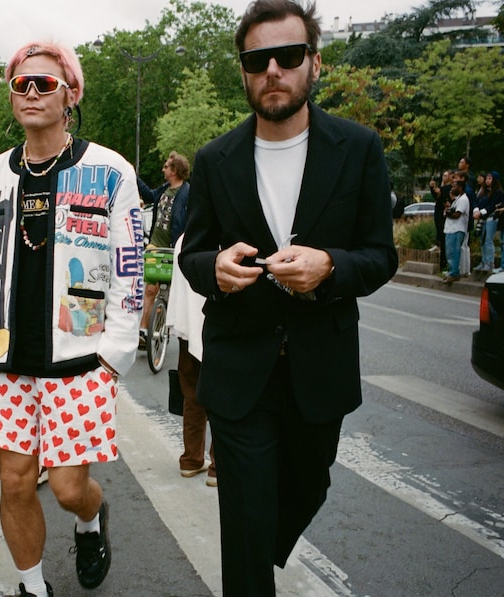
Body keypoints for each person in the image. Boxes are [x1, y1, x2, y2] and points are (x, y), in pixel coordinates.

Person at [178, 1, 398, 593]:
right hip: (239, 373)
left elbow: (382, 255)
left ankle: (259, 545)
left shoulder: (358, 149)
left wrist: (331, 265)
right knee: (245, 529)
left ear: (315, 64)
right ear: (244, 72)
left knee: (307, 487)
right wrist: (215, 268)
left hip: (317, 372)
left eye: (289, 55)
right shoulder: (215, 159)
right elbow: (191, 255)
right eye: (257, 59)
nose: (273, 69)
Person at [0, 41, 143, 597]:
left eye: (44, 83)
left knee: (65, 487)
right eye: (21, 84)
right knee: (13, 483)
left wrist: (114, 356)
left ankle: (91, 518)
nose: (31, 93)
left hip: (82, 360)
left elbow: (130, 267)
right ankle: (32, 587)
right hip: (4, 358)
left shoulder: (109, 170)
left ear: (71, 94)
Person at [165, 233, 215, 486]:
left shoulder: (185, 240)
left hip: (187, 329)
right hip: (218, 330)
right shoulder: (227, 236)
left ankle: (191, 460)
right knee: (222, 397)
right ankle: (218, 466)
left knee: (191, 395)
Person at [136, 151, 190, 347]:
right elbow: (149, 195)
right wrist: (134, 176)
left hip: (173, 248)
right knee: (150, 288)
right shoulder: (164, 189)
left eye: (166, 166)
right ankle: (143, 331)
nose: (163, 169)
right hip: (155, 246)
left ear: (174, 170)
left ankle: (160, 325)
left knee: (169, 292)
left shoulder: (187, 192)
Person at [474, 171, 504, 272]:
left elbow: (492, 206)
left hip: (491, 218)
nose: (487, 181)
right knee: (482, 240)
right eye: (486, 178)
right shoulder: (484, 192)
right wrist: (476, 210)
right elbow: (477, 202)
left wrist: (481, 212)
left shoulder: (498, 193)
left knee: (488, 240)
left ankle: (489, 263)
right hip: (482, 218)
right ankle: (483, 261)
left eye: (490, 179)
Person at [444, 177, 471, 283]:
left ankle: (455, 273)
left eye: (454, 186)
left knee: (454, 251)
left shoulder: (463, 199)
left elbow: (457, 214)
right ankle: (451, 271)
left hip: (457, 229)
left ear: (460, 187)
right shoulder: (457, 199)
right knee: (449, 252)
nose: (452, 188)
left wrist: (447, 213)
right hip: (450, 229)